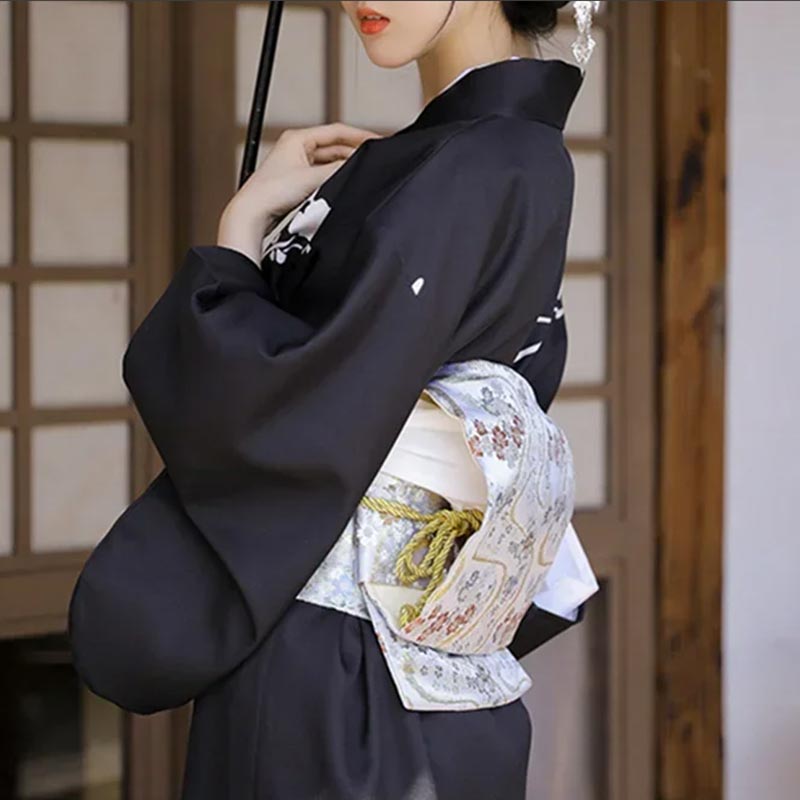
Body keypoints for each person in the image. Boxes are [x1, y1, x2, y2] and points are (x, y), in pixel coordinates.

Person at [68, 2, 599, 798]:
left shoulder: (483, 159)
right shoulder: (493, 154)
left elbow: (293, 411)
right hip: (402, 676)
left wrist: (241, 232)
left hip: (344, 673)